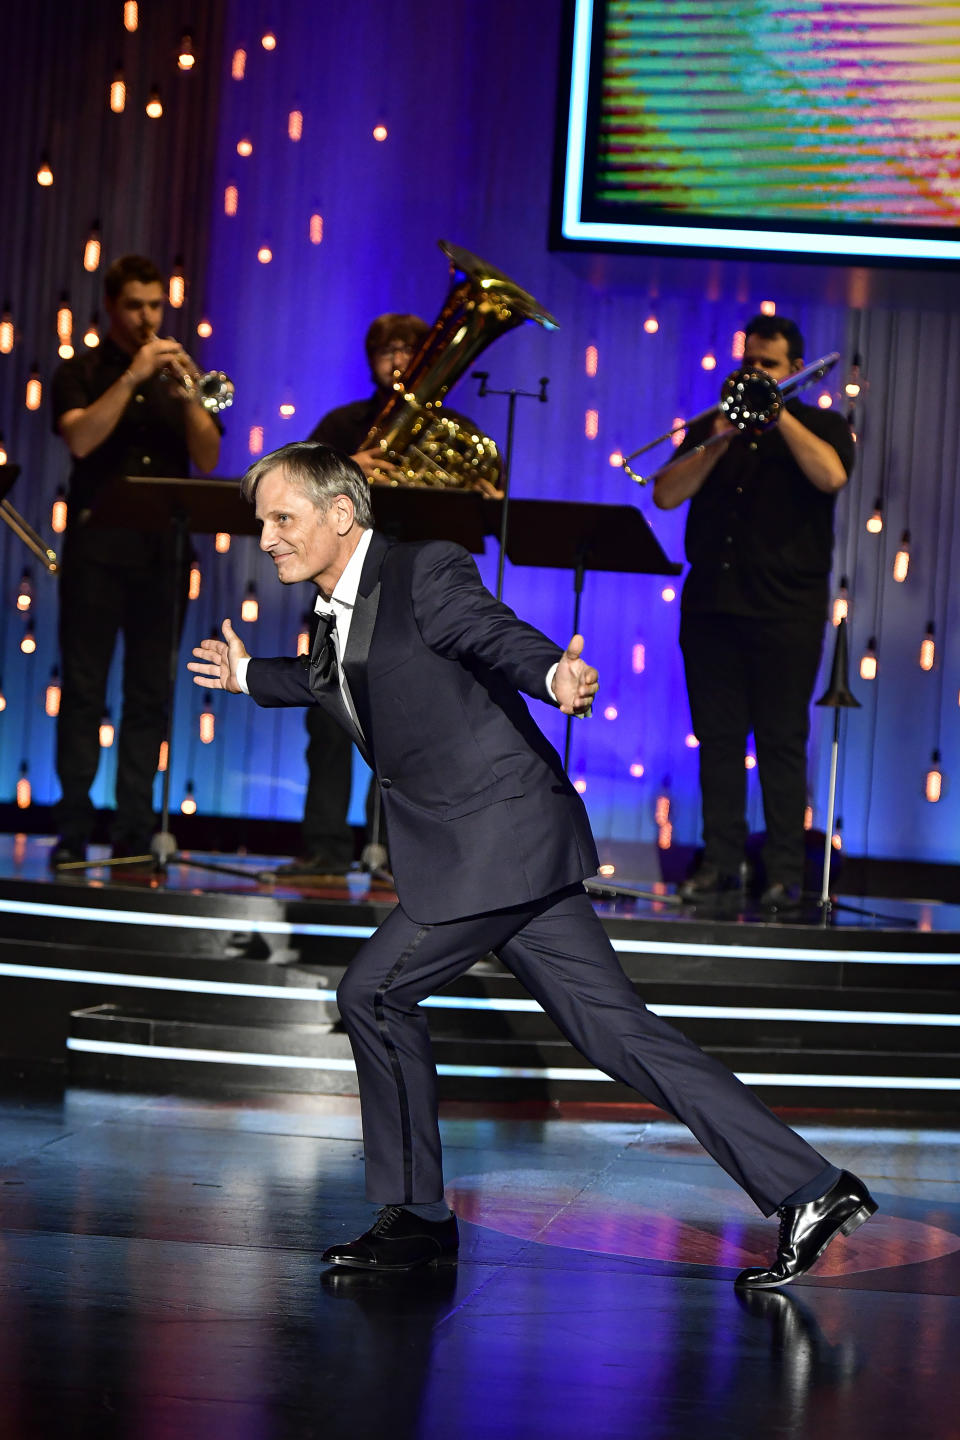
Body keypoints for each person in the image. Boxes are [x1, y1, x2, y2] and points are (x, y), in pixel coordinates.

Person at [189, 440, 876, 1287]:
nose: (267, 537)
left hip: (494, 840)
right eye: (261, 522)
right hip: (509, 847)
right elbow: (331, 677)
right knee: (620, 1034)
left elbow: (491, 632)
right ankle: (812, 1187)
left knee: (372, 990)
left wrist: (553, 672)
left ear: (341, 514)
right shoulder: (337, 607)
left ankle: (418, 1216)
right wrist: (249, 674)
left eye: (281, 519)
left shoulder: (421, 571)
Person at [275, 312, 497, 879]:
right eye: (386, 348)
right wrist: (347, 471)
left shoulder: (456, 428)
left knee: (414, 729)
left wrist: (485, 497)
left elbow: (483, 519)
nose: (398, 358)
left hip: (416, 599)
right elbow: (292, 496)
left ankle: (408, 857)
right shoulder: (344, 424)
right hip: (340, 595)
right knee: (327, 723)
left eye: (409, 348)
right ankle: (324, 847)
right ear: (370, 357)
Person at [653, 315, 855, 911]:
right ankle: (720, 864)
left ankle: (785, 872)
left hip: (786, 613)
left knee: (781, 742)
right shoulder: (712, 427)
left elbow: (832, 475)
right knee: (716, 742)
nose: (755, 373)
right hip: (713, 608)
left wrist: (777, 415)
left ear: (795, 370)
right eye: (749, 362)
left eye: (768, 365)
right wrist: (723, 434)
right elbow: (665, 494)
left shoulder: (822, 425)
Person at [49, 254, 222, 866]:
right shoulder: (84, 370)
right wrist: (130, 379)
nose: (148, 317)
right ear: (112, 308)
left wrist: (191, 395)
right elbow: (79, 437)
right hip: (97, 553)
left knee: (150, 694)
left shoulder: (177, 380)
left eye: (155, 305)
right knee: (85, 692)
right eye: (136, 306)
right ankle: (71, 827)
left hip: (164, 558)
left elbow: (207, 457)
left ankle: (132, 827)